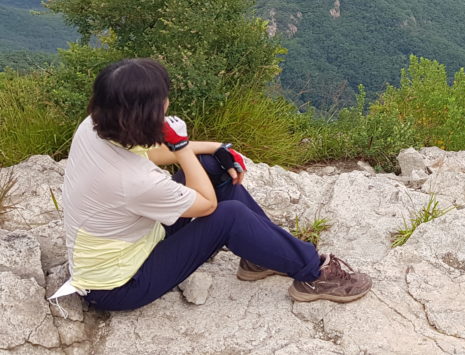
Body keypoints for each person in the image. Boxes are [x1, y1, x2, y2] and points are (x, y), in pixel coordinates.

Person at [58, 58, 371, 311]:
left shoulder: (96, 127)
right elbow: (207, 205)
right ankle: (313, 273)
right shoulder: (134, 181)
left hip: (130, 242)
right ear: (146, 114)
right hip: (118, 286)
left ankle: (260, 253)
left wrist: (214, 147)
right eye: (162, 101)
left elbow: (151, 151)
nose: (167, 102)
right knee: (228, 215)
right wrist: (181, 148)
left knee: (211, 165)